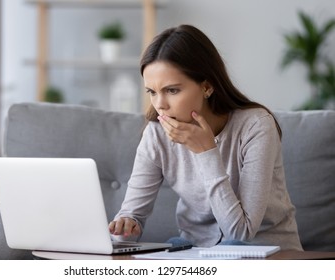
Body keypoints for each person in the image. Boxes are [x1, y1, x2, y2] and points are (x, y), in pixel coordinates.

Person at [108, 24, 302, 251]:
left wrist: (207, 153)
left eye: (172, 90)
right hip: (195, 252)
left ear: (207, 86)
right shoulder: (156, 134)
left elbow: (240, 233)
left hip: (265, 252)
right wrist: (126, 226)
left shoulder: (256, 126)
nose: (160, 105)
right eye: (152, 92)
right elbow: (131, 217)